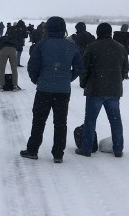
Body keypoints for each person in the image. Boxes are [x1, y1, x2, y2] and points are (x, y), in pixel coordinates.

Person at [20, 16, 83, 163]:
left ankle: (33, 150)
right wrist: (67, 78)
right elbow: (79, 67)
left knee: (39, 121)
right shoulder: (71, 46)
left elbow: (32, 67)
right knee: (60, 123)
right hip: (63, 91)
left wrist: (37, 80)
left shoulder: (42, 44)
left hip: (44, 90)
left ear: (48, 28)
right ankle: (58, 154)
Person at [76, 23, 128, 157]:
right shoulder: (121, 48)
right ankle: (118, 149)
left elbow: (84, 69)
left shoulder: (92, 47)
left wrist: (84, 83)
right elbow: (125, 69)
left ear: (98, 32)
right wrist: (116, 81)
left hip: (95, 89)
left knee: (90, 120)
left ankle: (86, 149)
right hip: (114, 91)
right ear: (110, 33)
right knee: (115, 121)